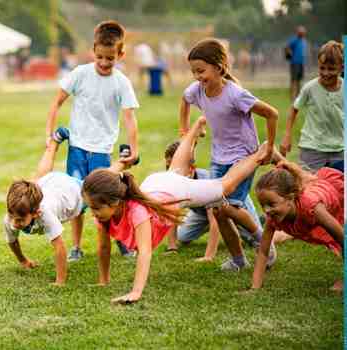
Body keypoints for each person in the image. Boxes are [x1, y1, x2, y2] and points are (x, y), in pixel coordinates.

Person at [82, 117, 270, 304]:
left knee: (226, 186)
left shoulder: (137, 212)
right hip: (156, 184)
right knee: (175, 169)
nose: (93, 213)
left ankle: (260, 153)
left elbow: (145, 252)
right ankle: (196, 127)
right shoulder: (105, 214)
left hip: (173, 190)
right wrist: (103, 281)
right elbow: (104, 247)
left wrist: (136, 292)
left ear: (115, 202)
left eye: (96, 208)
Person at [180, 38, 278, 271]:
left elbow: (272, 114)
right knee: (217, 209)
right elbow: (184, 100)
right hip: (219, 157)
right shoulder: (198, 90)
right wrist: (185, 130)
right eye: (194, 71)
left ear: (219, 67)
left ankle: (263, 241)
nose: (197, 76)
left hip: (243, 156)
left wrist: (271, 147)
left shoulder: (235, 94)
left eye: (201, 71)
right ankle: (238, 260)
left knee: (230, 207)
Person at [45, 20, 140, 261]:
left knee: (108, 199)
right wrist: (49, 134)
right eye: (100, 57)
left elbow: (129, 118)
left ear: (121, 54)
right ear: (93, 51)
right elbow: (56, 103)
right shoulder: (79, 74)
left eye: (110, 58)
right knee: (76, 198)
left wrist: (134, 149)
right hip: (77, 149)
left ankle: (120, 240)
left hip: (101, 151)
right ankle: (76, 247)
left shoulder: (121, 82)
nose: (104, 63)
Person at [251, 150, 344, 292]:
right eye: (262, 205)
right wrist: (254, 288)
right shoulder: (273, 217)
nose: (266, 210)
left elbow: (342, 239)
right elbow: (263, 251)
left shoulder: (313, 208)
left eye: (271, 204)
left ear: (290, 197)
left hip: (339, 189)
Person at [162, 141, 262, 261]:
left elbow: (215, 219)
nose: (170, 171)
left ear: (190, 166)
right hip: (203, 213)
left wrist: (208, 256)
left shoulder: (205, 182)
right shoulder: (172, 182)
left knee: (255, 241)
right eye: (168, 166)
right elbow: (172, 213)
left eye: (174, 167)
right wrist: (172, 248)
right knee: (182, 236)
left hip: (232, 206)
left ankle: (285, 233)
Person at [3, 137, 82, 286]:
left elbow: (59, 247)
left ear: (36, 213)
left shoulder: (45, 213)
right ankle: (54, 143)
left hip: (73, 192)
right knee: (37, 180)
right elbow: (12, 240)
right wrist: (23, 261)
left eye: (19, 219)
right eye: (12, 216)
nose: (14, 222)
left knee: (99, 185)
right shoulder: (12, 216)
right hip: (50, 183)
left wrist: (60, 281)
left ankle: (123, 164)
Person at [280, 40, 344, 172]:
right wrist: (287, 135)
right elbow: (294, 108)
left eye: (331, 69)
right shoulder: (310, 88)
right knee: (309, 186)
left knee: (339, 188)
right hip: (312, 148)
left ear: (341, 68)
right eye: (322, 68)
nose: (325, 73)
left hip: (339, 149)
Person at [285, 26, 307, 101]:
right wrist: (289, 55)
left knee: (299, 80)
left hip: (301, 63)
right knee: (293, 80)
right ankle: (292, 97)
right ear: (298, 32)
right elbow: (287, 47)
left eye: (303, 32)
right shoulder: (294, 40)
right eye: (300, 31)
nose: (302, 33)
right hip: (294, 63)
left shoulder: (304, 41)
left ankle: (298, 97)